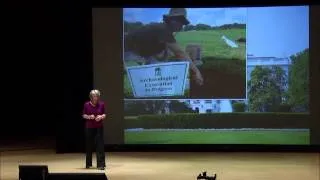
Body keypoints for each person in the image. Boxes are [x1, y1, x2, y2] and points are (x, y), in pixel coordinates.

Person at [124, 8, 204, 86]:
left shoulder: (162, 30)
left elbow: (164, 54)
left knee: (157, 67)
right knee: (143, 78)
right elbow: (179, 53)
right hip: (126, 51)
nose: (181, 25)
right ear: (171, 21)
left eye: (182, 22)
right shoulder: (163, 30)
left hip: (138, 52)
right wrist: (196, 71)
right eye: (179, 21)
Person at [82, 89, 106, 170]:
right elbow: (83, 115)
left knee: (100, 146)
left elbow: (104, 114)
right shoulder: (86, 104)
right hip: (89, 128)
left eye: (97, 96)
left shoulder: (102, 104)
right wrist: (89, 117)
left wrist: (101, 116)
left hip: (99, 127)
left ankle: (101, 164)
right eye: (94, 96)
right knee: (89, 145)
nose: (95, 98)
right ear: (91, 97)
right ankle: (88, 163)